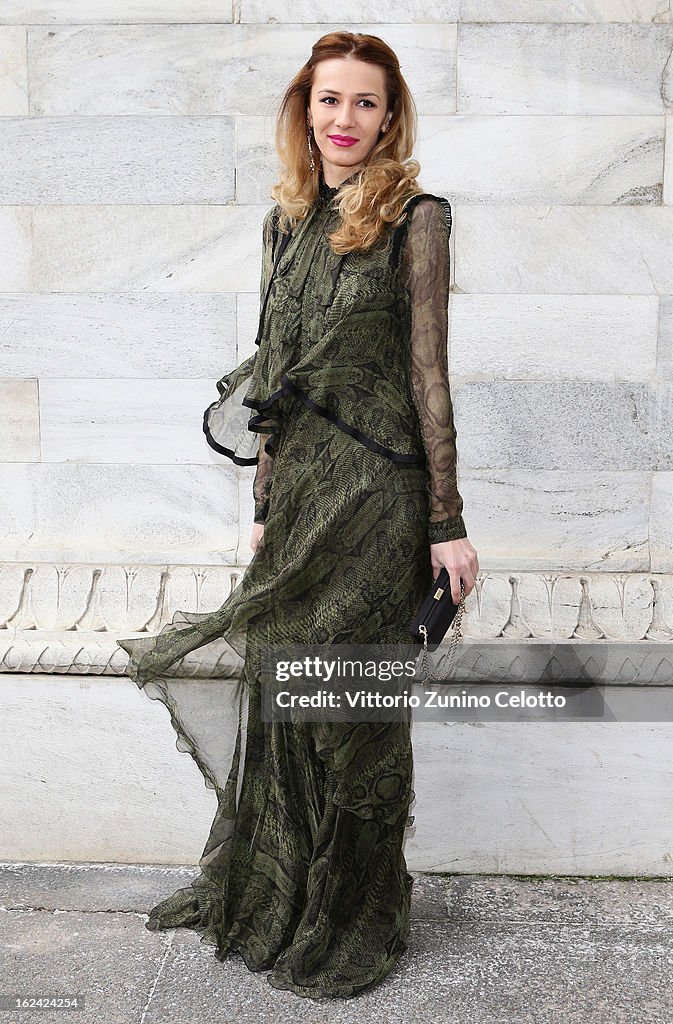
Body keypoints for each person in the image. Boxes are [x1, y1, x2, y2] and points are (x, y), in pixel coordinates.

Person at [116, 30, 479, 1001]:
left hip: (379, 502)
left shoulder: (418, 219)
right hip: (307, 494)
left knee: (352, 707)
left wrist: (446, 522)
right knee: (285, 690)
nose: (345, 120)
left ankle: (358, 914)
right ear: (303, 110)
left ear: (390, 116)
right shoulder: (284, 223)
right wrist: (267, 506)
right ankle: (281, 894)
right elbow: (274, 380)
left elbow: (427, 377)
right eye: (329, 101)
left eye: (366, 102)